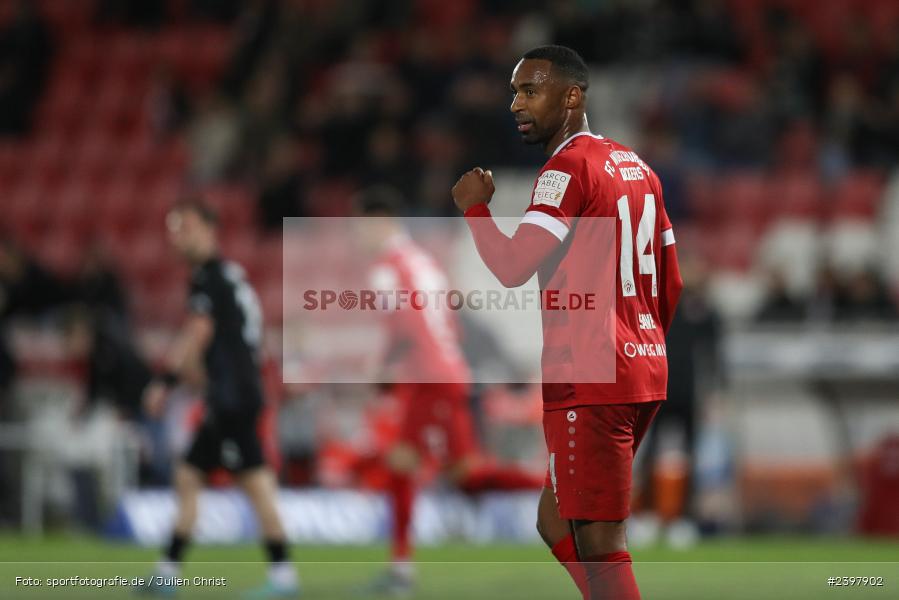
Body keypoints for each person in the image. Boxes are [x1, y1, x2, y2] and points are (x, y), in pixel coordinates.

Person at [452, 46, 682, 599]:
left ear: (572, 96)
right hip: (640, 368)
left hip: (593, 377)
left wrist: (475, 209)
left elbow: (511, 267)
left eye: (529, 90)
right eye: (514, 92)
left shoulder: (566, 169)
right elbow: (670, 284)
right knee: (556, 524)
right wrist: (641, 344)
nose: (515, 104)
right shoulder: (638, 168)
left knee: (601, 541)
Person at [355, 186, 542, 596]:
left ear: (379, 222)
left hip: (429, 378)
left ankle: (401, 568)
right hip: (448, 372)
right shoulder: (424, 262)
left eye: (363, 227)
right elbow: (447, 322)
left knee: (401, 464)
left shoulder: (387, 266)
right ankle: (553, 484)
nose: (360, 236)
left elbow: (404, 325)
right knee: (467, 476)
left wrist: (384, 366)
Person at [140, 201, 298, 598]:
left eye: (187, 227)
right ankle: (168, 570)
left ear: (210, 229)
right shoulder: (229, 275)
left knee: (254, 482)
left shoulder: (208, 278)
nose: (178, 236)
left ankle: (282, 577)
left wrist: (165, 380)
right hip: (235, 392)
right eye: (174, 229)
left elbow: (199, 333)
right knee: (192, 475)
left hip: (231, 397)